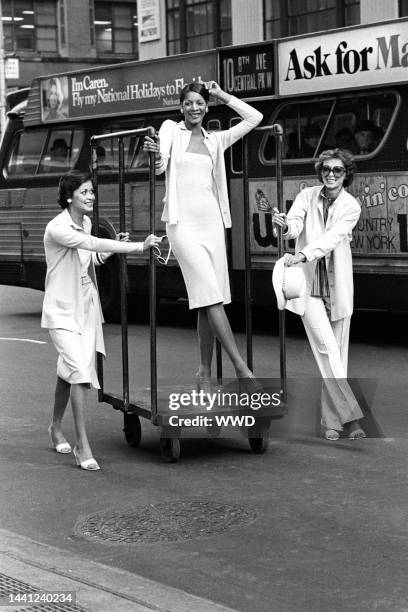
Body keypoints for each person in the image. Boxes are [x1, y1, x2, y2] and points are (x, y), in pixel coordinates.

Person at [143, 81, 263, 393]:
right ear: (180, 107)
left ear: (207, 107)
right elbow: (160, 165)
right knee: (208, 295)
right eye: (189, 103)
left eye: (200, 103)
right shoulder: (171, 129)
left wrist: (223, 96)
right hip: (182, 226)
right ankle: (242, 369)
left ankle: (204, 373)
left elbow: (255, 118)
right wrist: (155, 155)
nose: (194, 108)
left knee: (208, 299)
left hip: (211, 225)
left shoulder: (216, 140)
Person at [42, 170, 162, 470]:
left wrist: (109, 253)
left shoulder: (84, 223)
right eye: (85, 192)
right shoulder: (58, 228)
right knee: (80, 373)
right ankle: (82, 444)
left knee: (66, 373)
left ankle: (55, 428)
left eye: (92, 191)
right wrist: (137, 246)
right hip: (61, 312)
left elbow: (90, 258)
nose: (91, 196)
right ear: (69, 197)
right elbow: (93, 245)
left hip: (85, 309)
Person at [271, 148, 366, 441]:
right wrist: (284, 226)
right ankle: (351, 418)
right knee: (326, 349)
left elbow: (331, 239)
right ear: (320, 172)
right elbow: (295, 225)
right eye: (326, 169)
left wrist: (301, 254)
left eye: (338, 170)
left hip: (337, 287)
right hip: (307, 287)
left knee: (336, 356)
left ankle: (330, 423)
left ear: (346, 174)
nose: (331, 175)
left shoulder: (352, 206)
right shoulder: (306, 196)